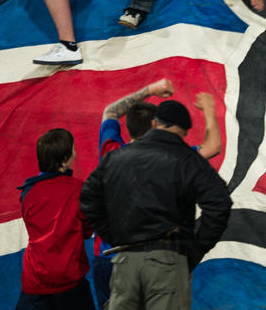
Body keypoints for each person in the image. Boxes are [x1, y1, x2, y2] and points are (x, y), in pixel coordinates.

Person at [80, 100, 232, 310]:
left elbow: (88, 198)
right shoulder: (181, 157)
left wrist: (112, 235)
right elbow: (214, 152)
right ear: (154, 125)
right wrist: (196, 249)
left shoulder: (113, 153)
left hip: (118, 259)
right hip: (166, 259)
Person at [15, 128, 95, 310]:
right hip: (69, 284)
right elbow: (87, 230)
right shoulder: (79, 190)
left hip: (34, 285)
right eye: (74, 149)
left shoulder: (26, 192)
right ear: (66, 158)